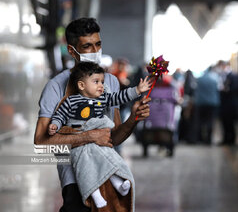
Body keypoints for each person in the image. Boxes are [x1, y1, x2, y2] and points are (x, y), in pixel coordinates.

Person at [34, 17, 151, 212]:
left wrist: (134, 118)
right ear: (72, 51)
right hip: (74, 179)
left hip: (106, 170)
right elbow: (40, 141)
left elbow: (113, 138)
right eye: (87, 46)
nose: (95, 51)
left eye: (98, 44)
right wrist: (87, 136)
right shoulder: (55, 87)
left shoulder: (110, 82)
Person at [48, 62, 151, 208]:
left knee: (109, 158)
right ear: (82, 85)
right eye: (96, 82)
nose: (101, 85)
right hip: (80, 139)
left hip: (99, 140)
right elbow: (60, 116)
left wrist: (137, 90)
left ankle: (118, 182)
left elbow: (120, 97)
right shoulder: (71, 101)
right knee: (85, 164)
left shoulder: (103, 98)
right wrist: (55, 125)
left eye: (102, 81)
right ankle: (94, 194)